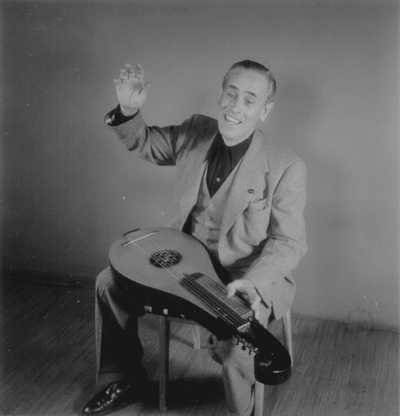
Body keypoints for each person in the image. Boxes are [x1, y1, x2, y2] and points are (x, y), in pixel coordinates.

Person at [82, 60, 307, 416]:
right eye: (231, 94)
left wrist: (254, 284)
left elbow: (289, 241)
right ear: (220, 96)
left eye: (249, 100)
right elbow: (145, 143)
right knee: (108, 283)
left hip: (244, 277)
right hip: (183, 263)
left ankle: (242, 412)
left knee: (237, 349)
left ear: (264, 110)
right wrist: (128, 109)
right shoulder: (195, 131)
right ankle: (122, 378)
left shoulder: (285, 165)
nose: (236, 106)